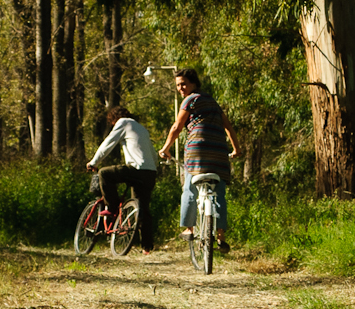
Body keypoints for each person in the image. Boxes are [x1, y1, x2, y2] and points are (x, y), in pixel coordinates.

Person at [157, 68, 241, 253]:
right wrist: (236, 149)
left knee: (189, 188)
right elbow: (228, 127)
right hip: (219, 154)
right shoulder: (213, 102)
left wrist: (165, 148)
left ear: (194, 84)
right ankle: (221, 238)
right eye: (178, 85)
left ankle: (189, 229)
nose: (181, 88)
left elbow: (177, 127)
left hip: (197, 151)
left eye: (184, 84)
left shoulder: (190, 99)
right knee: (219, 194)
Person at [86, 104, 161, 253]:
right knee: (142, 209)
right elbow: (153, 155)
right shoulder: (142, 129)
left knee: (104, 173)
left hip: (136, 169)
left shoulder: (123, 123)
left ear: (114, 119)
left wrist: (94, 162)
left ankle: (112, 207)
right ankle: (147, 247)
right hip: (150, 172)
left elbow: (108, 144)